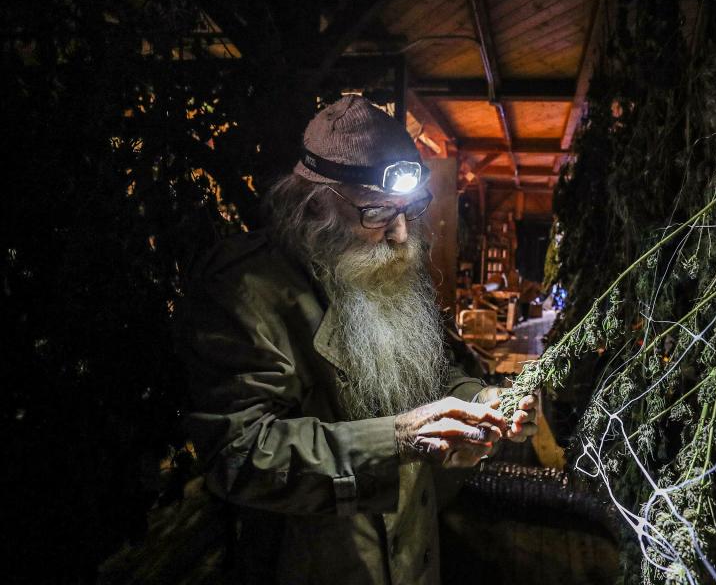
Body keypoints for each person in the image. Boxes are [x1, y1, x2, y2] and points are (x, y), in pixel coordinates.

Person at [178, 95, 539, 585]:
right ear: (313, 203)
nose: (398, 234)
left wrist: (482, 400)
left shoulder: (392, 267)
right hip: (317, 562)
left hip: (414, 556)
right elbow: (239, 452)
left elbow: (436, 374)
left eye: (409, 211)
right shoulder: (245, 291)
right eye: (375, 212)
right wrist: (394, 440)